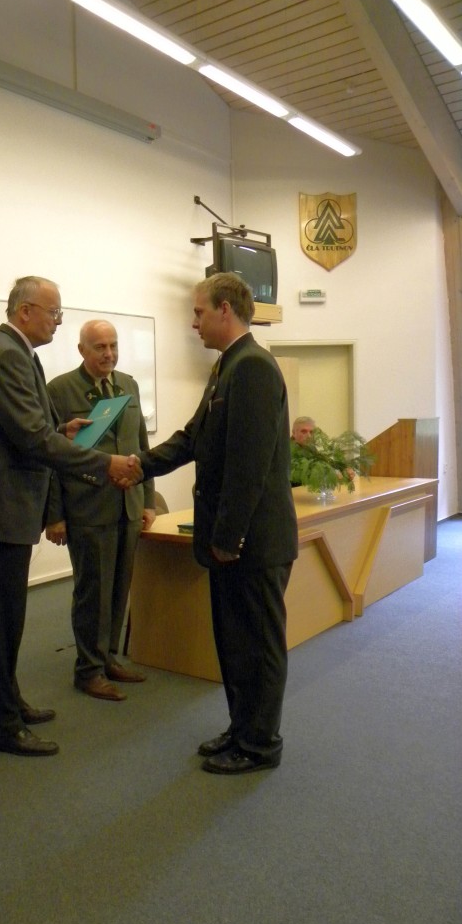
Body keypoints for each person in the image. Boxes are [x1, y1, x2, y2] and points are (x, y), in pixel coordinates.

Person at [0, 276, 142, 757]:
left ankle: (9, 702)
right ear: (25, 312)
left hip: (7, 512)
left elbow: (31, 431)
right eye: (54, 312)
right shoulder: (5, 356)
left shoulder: (18, 354)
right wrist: (103, 462)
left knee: (8, 622)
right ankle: (0, 725)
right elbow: (32, 440)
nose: (58, 321)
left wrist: (63, 430)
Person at [139, 273, 298, 775]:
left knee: (258, 645)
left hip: (252, 542)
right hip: (232, 540)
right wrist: (138, 465)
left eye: (199, 312)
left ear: (225, 309)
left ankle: (260, 744)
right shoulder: (228, 365)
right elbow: (194, 438)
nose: (194, 322)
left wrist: (229, 537)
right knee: (234, 643)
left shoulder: (252, 367)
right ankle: (241, 727)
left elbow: (249, 466)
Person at [45, 320, 155, 700]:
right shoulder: (60, 390)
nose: (109, 354)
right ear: (82, 350)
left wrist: (148, 500)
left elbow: (140, 446)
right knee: (93, 592)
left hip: (128, 505)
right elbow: (51, 458)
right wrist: (55, 515)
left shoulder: (129, 384)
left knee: (119, 587)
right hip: (87, 508)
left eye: (113, 345)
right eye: (100, 347)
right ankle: (88, 670)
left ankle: (108, 658)